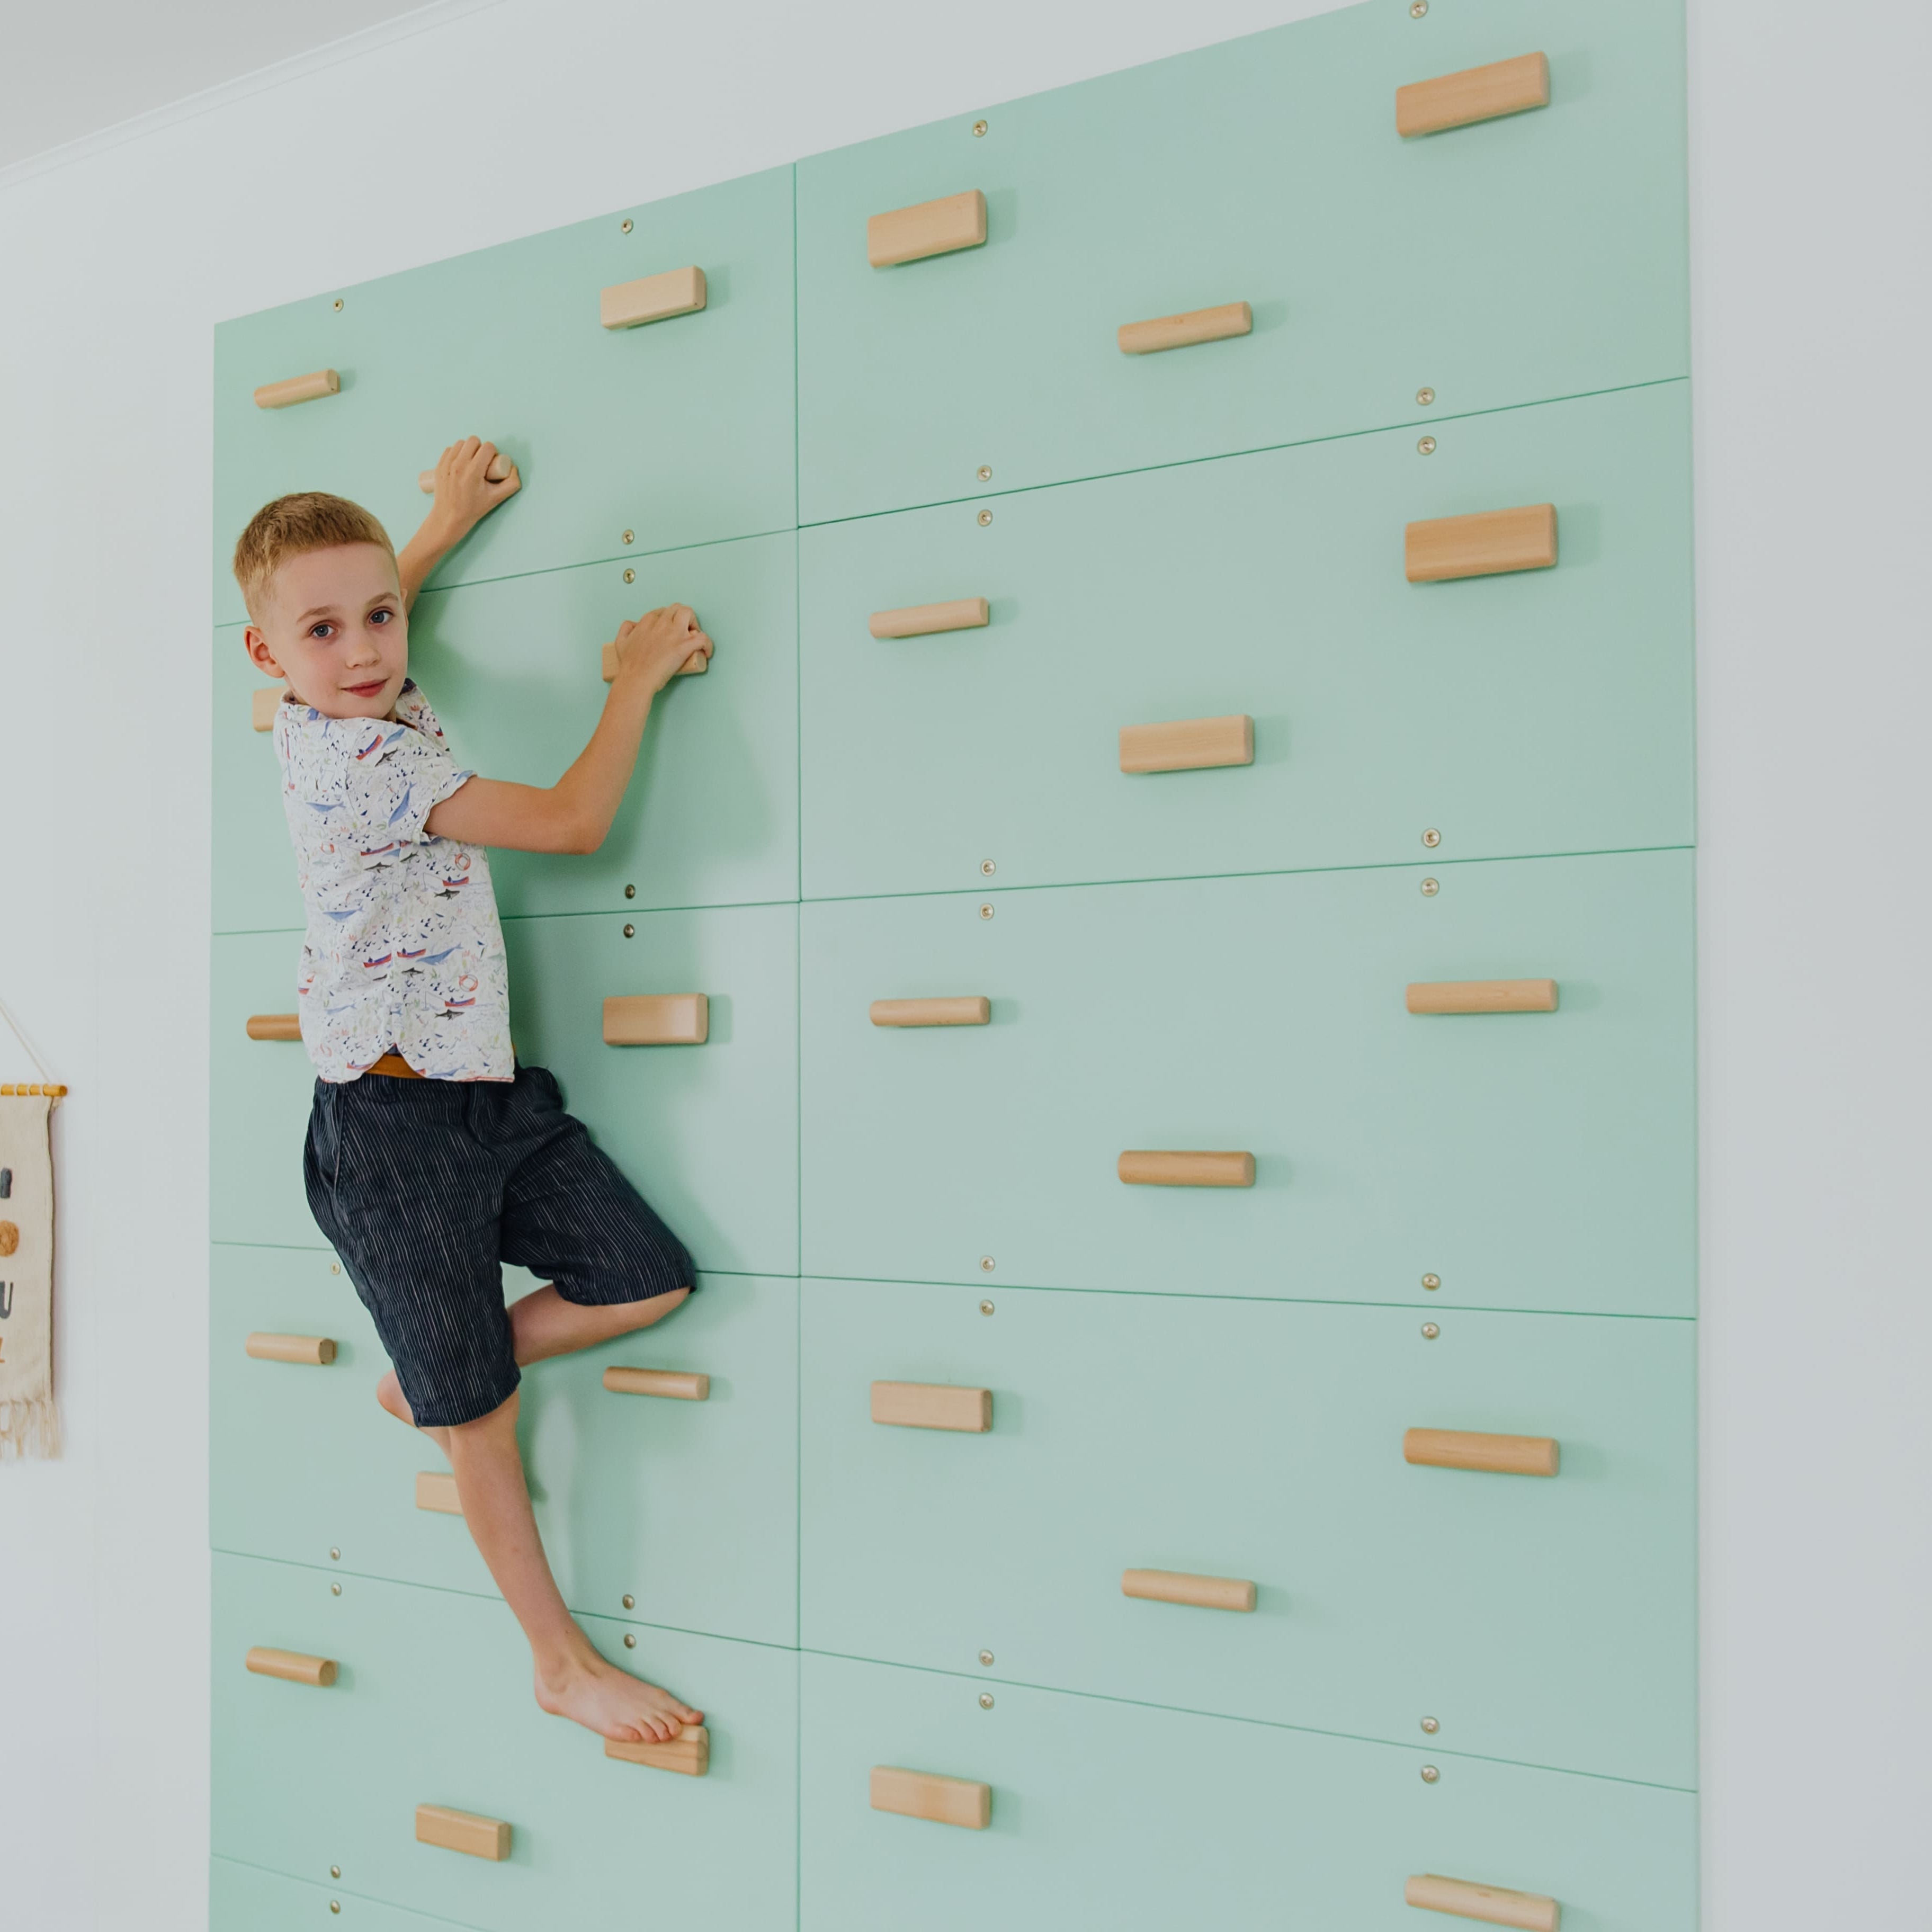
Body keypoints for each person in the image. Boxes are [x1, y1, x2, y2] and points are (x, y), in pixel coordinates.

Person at [232, 439, 711, 1746]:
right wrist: (634, 682)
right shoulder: (362, 764)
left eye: (380, 614)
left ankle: (437, 1374)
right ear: (269, 661)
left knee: (646, 1274)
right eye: (324, 632)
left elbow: (358, 599)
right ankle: (557, 1662)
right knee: (483, 1425)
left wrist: (436, 526)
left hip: (479, 1096)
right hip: (389, 1130)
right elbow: (568, 825)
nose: (369, 648)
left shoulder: (340, 694)